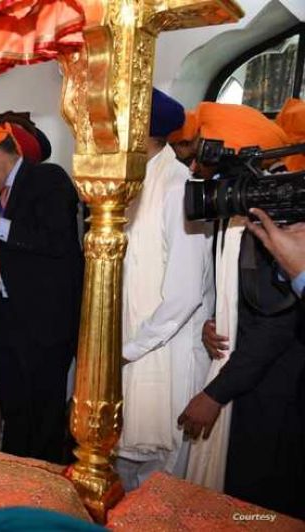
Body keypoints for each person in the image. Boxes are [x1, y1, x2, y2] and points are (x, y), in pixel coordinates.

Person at [176, 107, 304, 518]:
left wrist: (216, 394)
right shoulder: (236, 209)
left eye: (208, 158)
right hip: (244, 373)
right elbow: (240, 295)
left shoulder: (278, 216)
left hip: (272, 390)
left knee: (257, 504)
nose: (197, 169)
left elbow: (276, 324)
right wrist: (213, 322)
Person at [0, 123, 83, 462]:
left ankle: (44, 479)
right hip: (10, 315)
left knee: (43, 415)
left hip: (45, 322)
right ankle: (14, 472)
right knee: (14, 409)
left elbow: (57, 241)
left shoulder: (47, 179)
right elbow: (16, 255)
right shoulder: (0, 196)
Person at [115, 89, 214, 490]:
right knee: (123, 472)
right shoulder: (133, 183)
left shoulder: (177, 187)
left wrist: (129, 349)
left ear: (139, 131)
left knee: (159, 483)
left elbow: (185, 292)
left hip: (164, 353)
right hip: (130, 345)